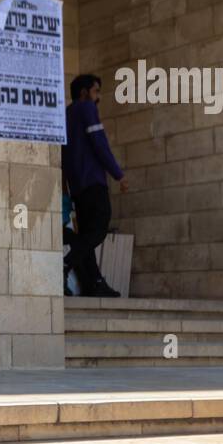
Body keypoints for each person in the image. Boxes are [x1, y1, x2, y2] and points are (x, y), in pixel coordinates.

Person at [62, 74, 127, 298]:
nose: (98, 97)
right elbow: (99, 143)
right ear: (84, 92)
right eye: (96, 91)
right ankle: (66, 264)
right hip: (92, 181)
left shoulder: (66, 115)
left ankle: (94, 283)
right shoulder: (86, 108)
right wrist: (118, 174)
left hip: (78, 186)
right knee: (99, 229)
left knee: (87, 235)